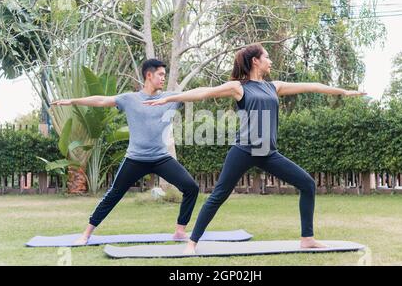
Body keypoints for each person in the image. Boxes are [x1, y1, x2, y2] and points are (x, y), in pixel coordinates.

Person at [143, 43, 367, 254]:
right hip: (244, 150)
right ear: (255, 61)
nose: (270, 61)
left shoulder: (274, 86)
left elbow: (312, 86)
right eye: (266, 57)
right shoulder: (239, 87)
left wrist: (342, 92)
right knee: (218, 195)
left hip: (268, 153)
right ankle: (192, 242)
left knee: (307, 183)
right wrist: (169, 99)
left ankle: (307, 239)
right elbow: (204, 92)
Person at [50, 59, 200, 245]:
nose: (163, 78)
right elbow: (101, 100)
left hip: (161, 158)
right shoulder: (130, 99)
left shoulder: (169, 98)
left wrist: (219, 90)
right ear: (149, 75)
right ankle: (86, 234)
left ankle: (179, 231)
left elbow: (196, 95)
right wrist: (73, 101)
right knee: (113, 194)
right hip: (135, 159)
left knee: (191, 188)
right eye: (160, 74)